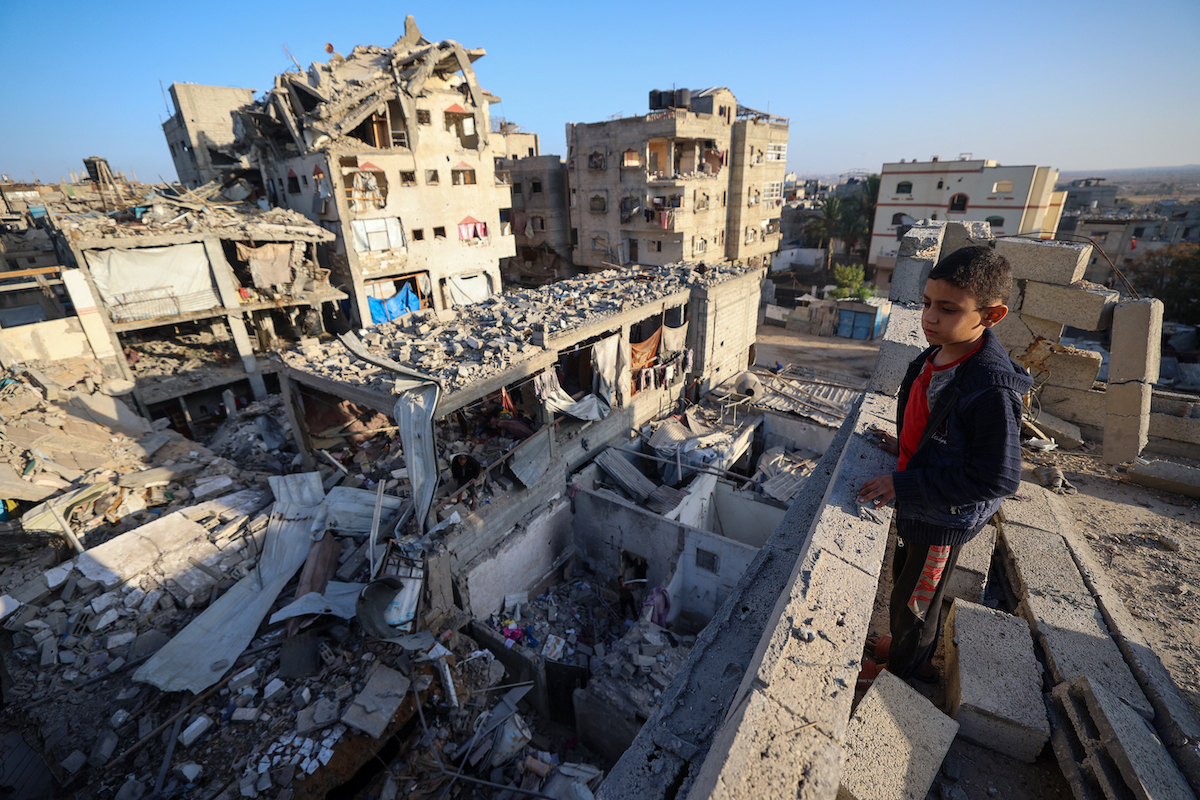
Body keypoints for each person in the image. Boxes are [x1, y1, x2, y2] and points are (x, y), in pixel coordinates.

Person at [856, 245, 1033, 684]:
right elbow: (938, 425)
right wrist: (906, 449)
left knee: (917, 602)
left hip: (941, 517)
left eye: (948, 309)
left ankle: (901, 673)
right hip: (923, 503)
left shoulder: (989, 388)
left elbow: (998, 477)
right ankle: (904, 650)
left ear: (991, 316)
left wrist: (903, 484)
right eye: (927, 303)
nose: (929, 317)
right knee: (904, 582)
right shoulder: (940, 353)